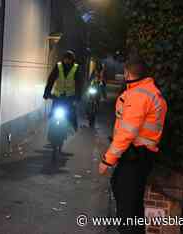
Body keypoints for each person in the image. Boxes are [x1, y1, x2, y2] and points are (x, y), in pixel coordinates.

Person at [98, 56, 167, 234]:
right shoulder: (150, 92)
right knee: (133, 204)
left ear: (128, 72)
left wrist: (107, 160)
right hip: (142, 157)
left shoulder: (138, 95)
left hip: (135, 156)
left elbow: (127, 132)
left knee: (127, 206)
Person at [43, 50, 82, 130]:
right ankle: (50, 130)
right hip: (58, 97)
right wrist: (47, 92)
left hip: (69, 97)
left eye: (69, 59)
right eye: (65, 59)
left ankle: (74, 128)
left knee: (72, 115)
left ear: (72, 60)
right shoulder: (58, 66)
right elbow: (51, 80)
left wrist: (77, 96)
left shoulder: (76, 68)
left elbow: (79, 83)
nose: (67, 61)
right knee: (52, 114)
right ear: (63, 59)